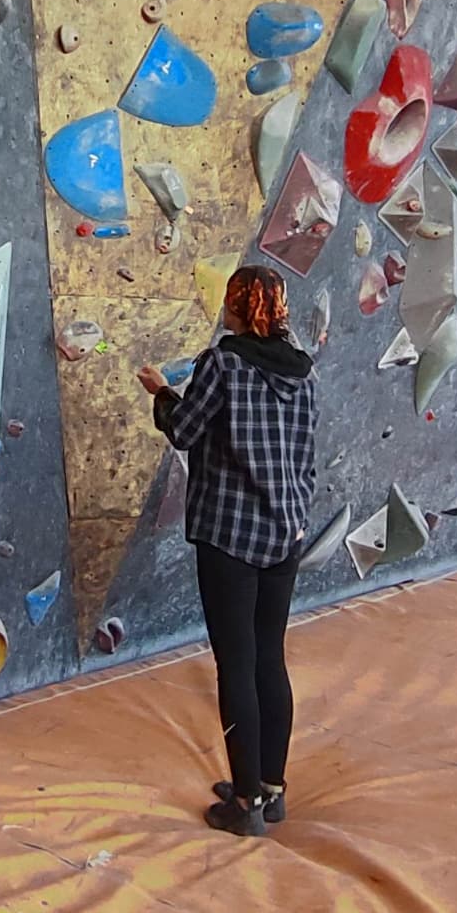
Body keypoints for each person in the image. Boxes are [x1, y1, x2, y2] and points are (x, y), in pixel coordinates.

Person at [138, 264, 317, 837]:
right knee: (269, 658)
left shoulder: (223, 363)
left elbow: (185, 431)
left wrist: (161, 393)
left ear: (237, 306)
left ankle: (245, 804)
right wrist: (295, 514)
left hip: (230, 535)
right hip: (285, 534)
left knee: (235, 663)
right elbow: (306, 457)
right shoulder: (304, 371)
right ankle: (272, 789)